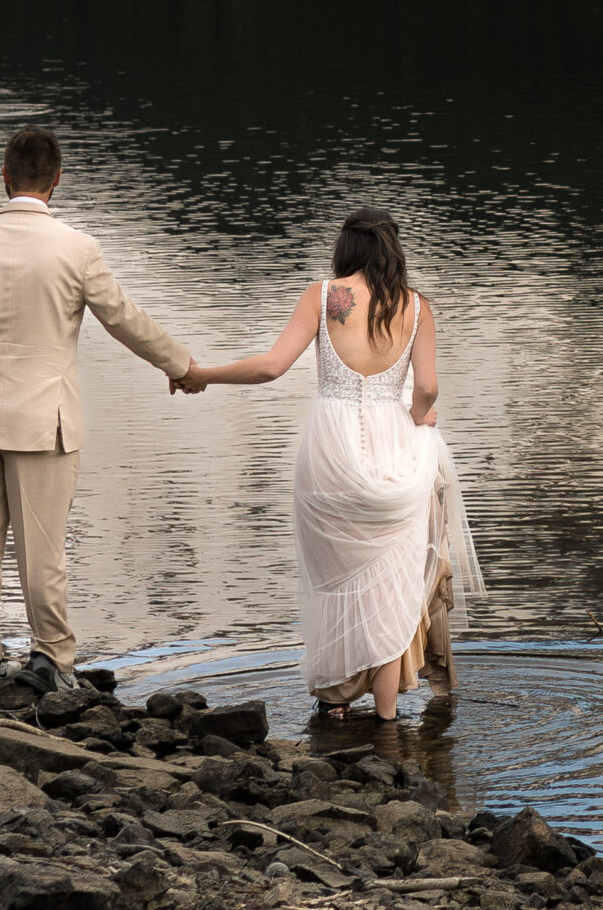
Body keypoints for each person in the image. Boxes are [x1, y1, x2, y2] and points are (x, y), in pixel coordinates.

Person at [173, 207, 483, 720]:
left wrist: (203, 374)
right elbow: (427, 388)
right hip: (395, 449)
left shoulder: (324, 297)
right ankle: (386, 723)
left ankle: (333, 703)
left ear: (347, 249)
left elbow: (272, 366)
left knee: (333, 581)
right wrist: (417, 417)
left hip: (329, 454)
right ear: (393, 249)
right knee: (390, 586)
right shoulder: (417, 306)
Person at [0, 126, 201, 694]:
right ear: (56, 179)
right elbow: (123, 318)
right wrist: (179, 365)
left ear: (4, 176)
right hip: (44, 424)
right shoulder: (77, 249)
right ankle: (52, 658)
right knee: (42, 549)